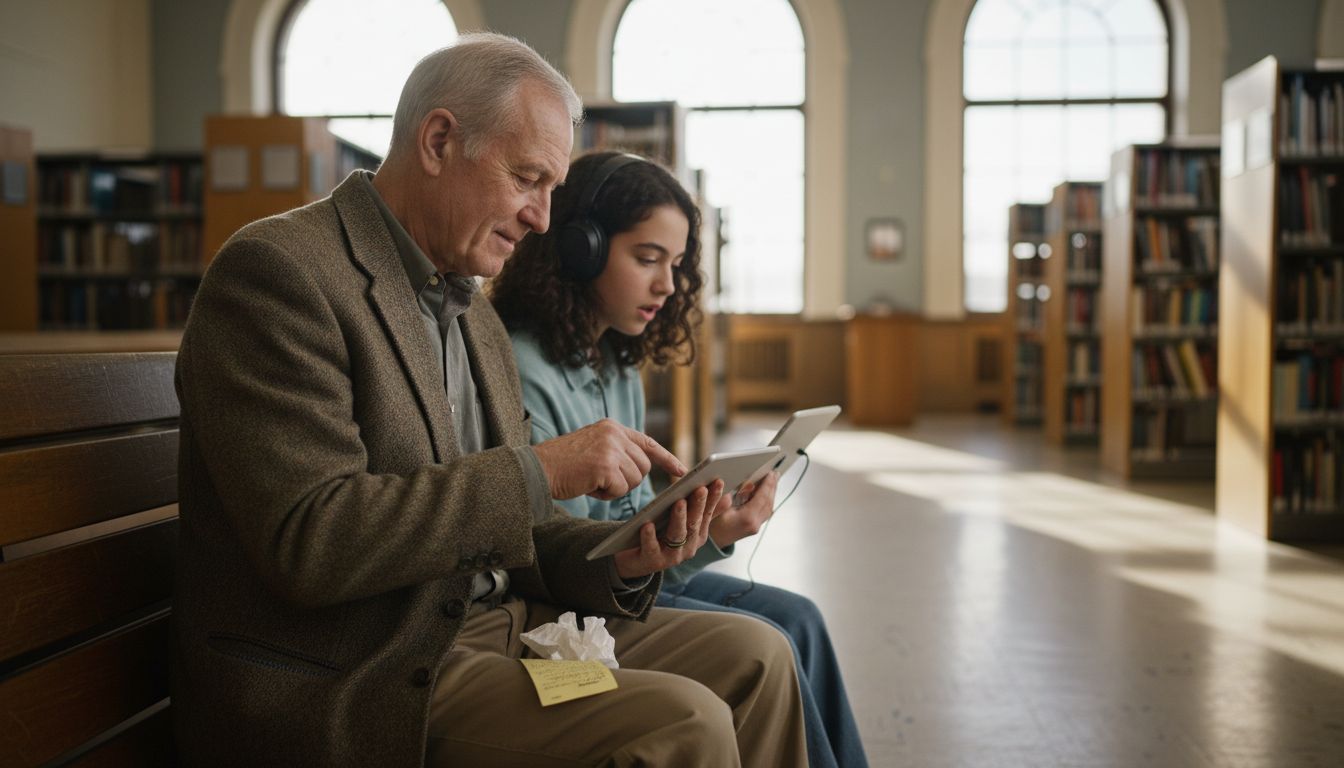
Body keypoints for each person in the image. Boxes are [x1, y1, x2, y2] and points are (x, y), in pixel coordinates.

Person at [171, 33, 807, 768]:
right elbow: (312, 544)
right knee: (681, 720)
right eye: (528, 178)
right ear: (439, 141)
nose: (542, 218)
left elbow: (520, 535)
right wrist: (543, 470)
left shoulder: (471, 308)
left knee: (760, 656)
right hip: (368, 669)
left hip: (499, 625)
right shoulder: (281, 275)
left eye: (552, 190)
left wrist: (628, 556)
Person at [490, 150, 871, 768]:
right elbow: (573, 558)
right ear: (578, 249)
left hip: (625, 583)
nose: (667, 286)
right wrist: (693, 537)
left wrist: (709, 528)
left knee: (801, 617)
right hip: (575, 606)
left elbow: (636, 518)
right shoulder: (525, 370)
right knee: (771, 639)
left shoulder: (612, 364)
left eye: (674, 264)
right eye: (647, 259)